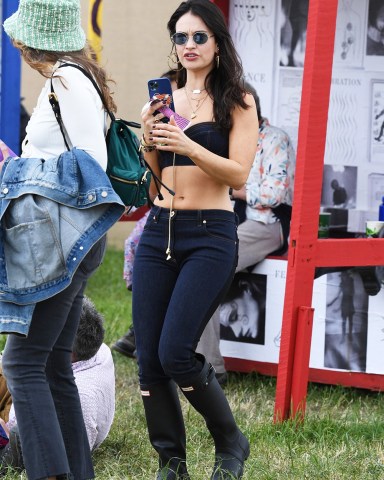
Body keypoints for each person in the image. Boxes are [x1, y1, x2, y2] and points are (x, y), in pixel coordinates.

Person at [133, 1, 259, 478]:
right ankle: (172, 460)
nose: (188, 46)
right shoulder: (162, 98)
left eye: (198, 37)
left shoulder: (238, 100)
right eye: (181, 37)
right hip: (158, 231)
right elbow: (153, 183)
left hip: (210, 234)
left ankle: (231, 442)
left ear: (218, 43)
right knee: (148, 360)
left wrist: (188, 143)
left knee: (176, 353)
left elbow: (239, 175)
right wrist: (149, 138)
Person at [0, 1, 122, 479]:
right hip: (78, 239)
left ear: (36, 41)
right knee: (52, 362)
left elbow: (87, 164)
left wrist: (19, 171)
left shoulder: (64, 82)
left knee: (21, 362)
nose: (15, 44)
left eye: (20, 37)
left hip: (61, 240)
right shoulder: (80, 77)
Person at [197, 82, 295, 378]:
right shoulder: (224, 138)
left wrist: (233, 185)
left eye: (225, 112)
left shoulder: (275, 139)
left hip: (265, 224)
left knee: (206, 269)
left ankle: (209, 368)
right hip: (223, 218)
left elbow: (274, 194)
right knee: (191, 266)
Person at [0, 296, 115, 472]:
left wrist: (6, 433)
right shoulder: (96, 349)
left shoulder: (78, 400)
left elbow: (41, 455)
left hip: (16, 435)